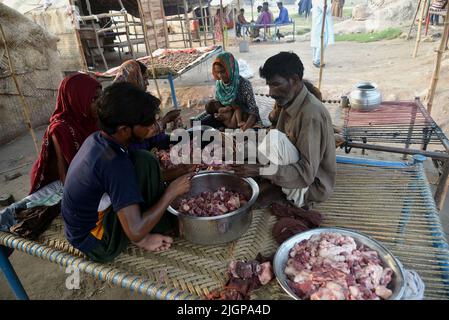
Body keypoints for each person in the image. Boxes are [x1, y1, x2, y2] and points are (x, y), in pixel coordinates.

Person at [61, 82, 194, 262]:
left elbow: (140, 169)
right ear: (124, 130)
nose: (152, 127)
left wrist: (178, 172)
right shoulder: (114, 163)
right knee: (140, 227)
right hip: (96, 242)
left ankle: (151, 225)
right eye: (146, 124)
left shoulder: (101, 139)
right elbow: (135, 231)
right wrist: (171, 192)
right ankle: (149, 235)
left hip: (84, 223)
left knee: (145, 160)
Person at [231, 52, 336, 209]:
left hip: (310, 186)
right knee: (268, 139)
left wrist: (259, 170)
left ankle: (289, 194)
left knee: (274, 140)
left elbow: (306, 174)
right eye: (269, 85)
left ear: (294, 80)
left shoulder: (311, 114)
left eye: (275, 85)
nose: (271, 93)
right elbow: (274, 136)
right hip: (295, 167)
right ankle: (276, 184)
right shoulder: (289, 103)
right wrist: (241, 149)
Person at [30, 73, 102, 194]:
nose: (100, 103)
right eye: (93, 99)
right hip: (59, 176)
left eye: (101, 97)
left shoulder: (93, 119)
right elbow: (64, 173)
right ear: (76, 99)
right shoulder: (60, 129)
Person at [202, 52, 261, 131]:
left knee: (252, 132)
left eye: (223, 72)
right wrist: (218, 115)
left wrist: (245, 128)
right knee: (202, 125)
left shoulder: (244, 84)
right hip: (227, 120)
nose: (220, 76)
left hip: (244, 119)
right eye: (218, 72)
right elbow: (217, 105)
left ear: (231, 68)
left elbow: (253, 111)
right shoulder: (219, 85)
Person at [311, 0, 335, 68]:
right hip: (320, 24)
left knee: (316, 42)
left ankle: (315, 59)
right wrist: (330, 3)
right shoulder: (320, 1)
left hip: (318, 23)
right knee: (322, 42)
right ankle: (317, 60)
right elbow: (326, 9)